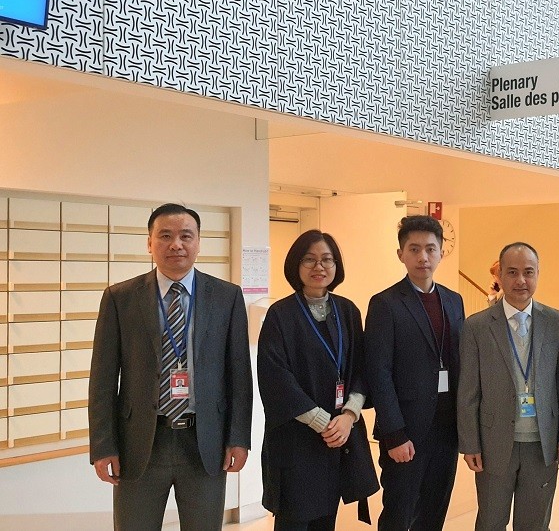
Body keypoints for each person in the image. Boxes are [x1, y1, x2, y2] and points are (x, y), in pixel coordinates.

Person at [88, 203, 253, 530]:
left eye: (185, 236)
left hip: (205, 442)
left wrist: (238, 436)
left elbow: (239, 375)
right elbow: (103, 380)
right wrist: (103, 446)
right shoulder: (120, 298)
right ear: (149, 243)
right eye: (165, 236)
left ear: (198, 243)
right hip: (140, 445)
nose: (176, 244)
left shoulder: (226, 296)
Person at [257, 230, 378, 530]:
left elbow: (362, 367)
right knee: (295, 520)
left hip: (338, 436)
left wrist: (349, 415)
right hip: (298, 439)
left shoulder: (347, 310)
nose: (319, 267)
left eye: (327, 260)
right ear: (296, 266)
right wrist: (321, 421)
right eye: (309, 259)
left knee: (326, 520)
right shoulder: (280, 314)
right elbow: (275, 377)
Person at [457, 242, 559, 531]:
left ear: (538, 274)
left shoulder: (555, 321)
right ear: (499, 275)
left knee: (535, 523)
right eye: (512, 272)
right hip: (494, 444)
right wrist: (470, 443)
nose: (521, 280)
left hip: (543, 444)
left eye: (528, 272)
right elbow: (468, 390)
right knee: (491, 522)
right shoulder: (477, 326)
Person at [366, 215, 466, 530]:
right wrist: (394, 434)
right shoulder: (385, 304)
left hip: (447, 428)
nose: (423, 257)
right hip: (406, 430)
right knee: (399, 513)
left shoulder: (453, 300)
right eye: (414, 249)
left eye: (430, 249)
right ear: (401, 254)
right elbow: (378, 372)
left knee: (434, 511)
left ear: (440, 253)